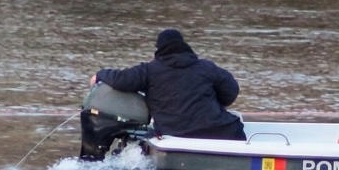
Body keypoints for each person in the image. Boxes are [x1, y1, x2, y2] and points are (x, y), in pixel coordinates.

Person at [90, 28, 245, 140]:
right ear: (184, 46)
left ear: (159, 49)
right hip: (221, 132)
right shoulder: (206, 67)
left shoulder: (149, 70)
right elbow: (231, 92)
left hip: (174, 134)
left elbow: (120, 80)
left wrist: (100, 75)